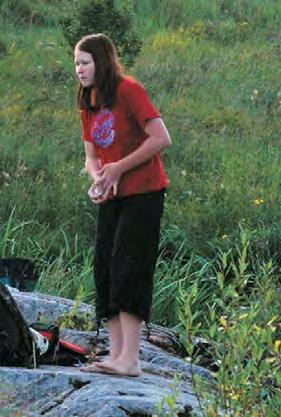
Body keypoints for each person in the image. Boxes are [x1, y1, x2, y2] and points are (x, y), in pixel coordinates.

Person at [73, 33, 171, 377]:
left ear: (101, 60)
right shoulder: (88, 97)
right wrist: (98, 177)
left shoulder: (128, 90)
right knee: (106, 268)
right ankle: (115, 355)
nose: (79, 69)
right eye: (76, 63)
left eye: (84, 62)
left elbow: (161, 138)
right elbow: (90, 155)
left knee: (131, 269)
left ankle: (131, 359)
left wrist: (118, 168)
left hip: (144, 193)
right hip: (113, 195)